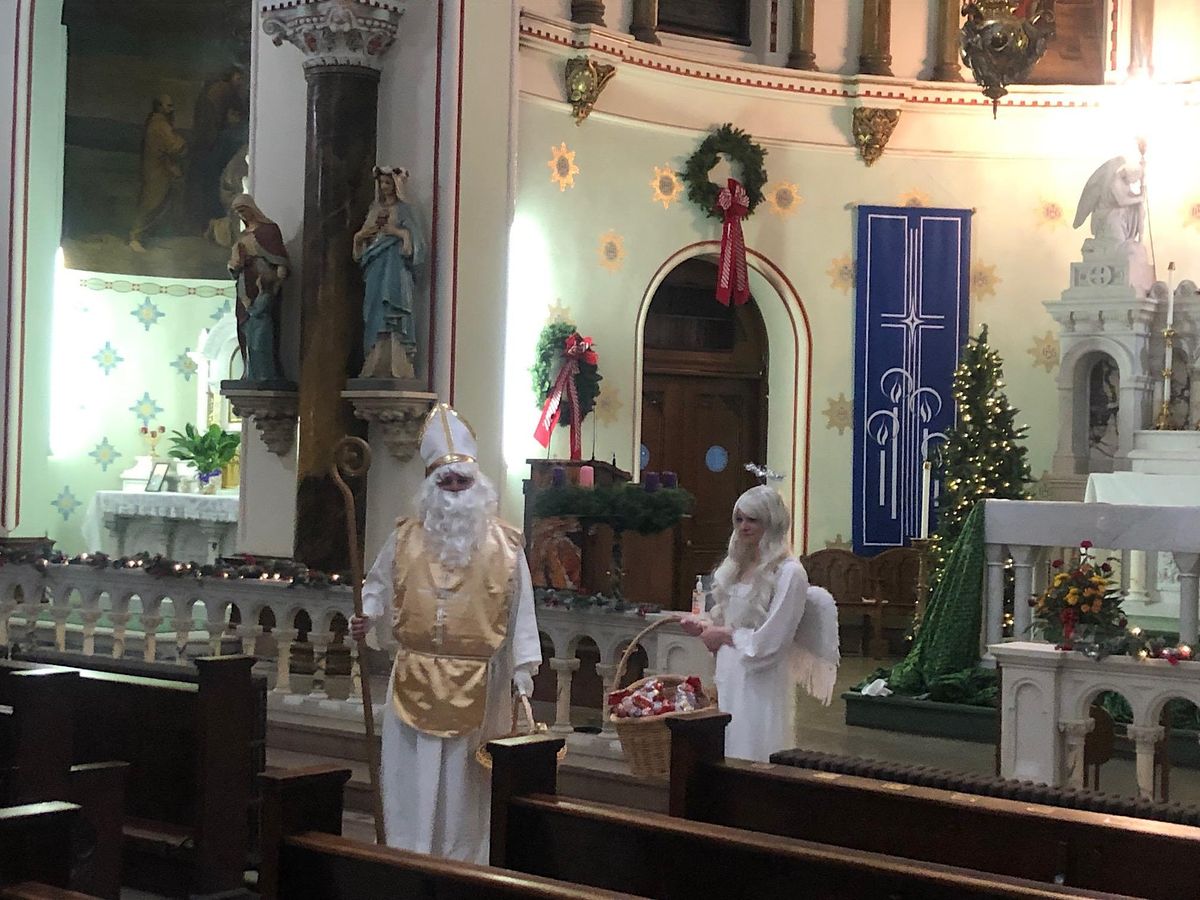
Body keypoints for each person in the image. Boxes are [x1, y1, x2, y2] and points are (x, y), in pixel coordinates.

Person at [349, 403, 541, 863]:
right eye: (446, 482)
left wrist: (522, 671)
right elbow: (375, 585)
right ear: (431, 488)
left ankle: (463, 862)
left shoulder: (507, 546)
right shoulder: (404, 538)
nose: (455, 490)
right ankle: (407, 854)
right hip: (413, 675)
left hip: (481, 684)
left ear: (479, 486)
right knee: (411, 779)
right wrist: (367, 616)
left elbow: (521, 611)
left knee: (464, 787)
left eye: (463, 482)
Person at [681, 485, 840, 762]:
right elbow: (728, 618)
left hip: (760, 677)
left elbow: (773, 640)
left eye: (752, 520)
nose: (744, 527)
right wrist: (705, 626)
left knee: (751, 746)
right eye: (739, 519)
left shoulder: (790, 573)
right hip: (729, 671)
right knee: (723, 746)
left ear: (772, 522)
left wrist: (725, 635)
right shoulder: (736, 566)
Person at [353, 166, 425, 371]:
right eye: (382, 183)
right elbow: (363, 245)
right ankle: (375, 358)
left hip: (396, 266)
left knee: (393, 307)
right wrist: (359, 238)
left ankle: (398, 360)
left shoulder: (405, 210)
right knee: (374, 308)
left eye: (388, 183)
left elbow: (417, 244)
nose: (384, 187)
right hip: (376, 266)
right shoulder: (374, 210)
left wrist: (398, 233)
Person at [227, 194, 289, 381]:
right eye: (238, 212)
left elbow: (280, 259)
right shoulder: (242, 236)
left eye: (243, 210)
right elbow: (234, 263)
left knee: (262, 331)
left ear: (251, 208)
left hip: (263, 283)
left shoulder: (269, 231)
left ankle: (265, 372)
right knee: (245, 325)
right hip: (245, 283)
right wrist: (234, 265)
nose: (241, 215)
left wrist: (277, 279)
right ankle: (249, 370)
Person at [129, 95, 187, 253]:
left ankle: (144, 237)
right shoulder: (159, 124)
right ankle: (135, 237)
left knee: (159, 203)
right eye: (168, 106)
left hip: (161, 168)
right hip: (156, 170)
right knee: (150, 203)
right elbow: (174, 145)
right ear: (160, 107)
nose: (171, 109)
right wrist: (183, 143)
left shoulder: (160, 122)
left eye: (172, 105)